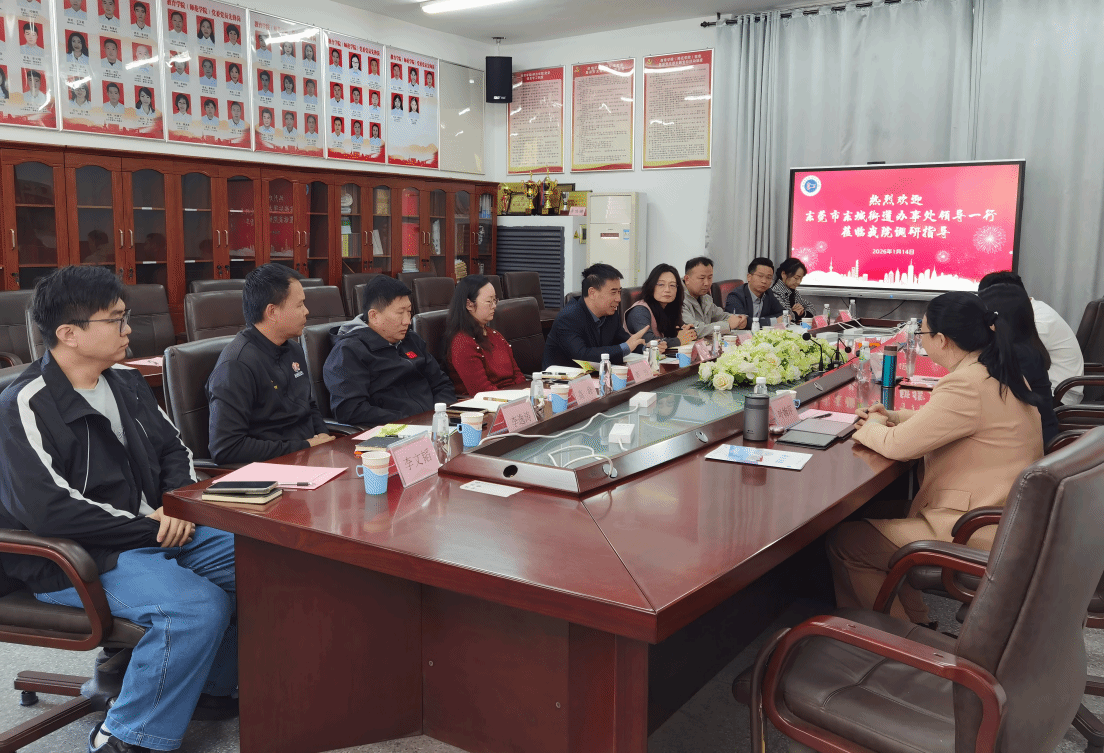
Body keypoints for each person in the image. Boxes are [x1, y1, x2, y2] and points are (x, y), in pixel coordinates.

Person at [0, 266, 238, 753]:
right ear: (69, 334)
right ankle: (126, 736)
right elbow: (49, 511)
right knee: (195, 607)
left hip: (153, 530)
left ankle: (210, 686)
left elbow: (174, 451)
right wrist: (150, 527)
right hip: (74, 556)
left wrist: (176, 508)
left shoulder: (126, 382)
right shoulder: (22, 404)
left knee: (263, 559)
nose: (129, 329)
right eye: (115, 319)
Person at [827, 291, 1044, 626]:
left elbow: (898, 447)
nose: (922, 339)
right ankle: (916, 623)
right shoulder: (995, 370)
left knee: (847, 543)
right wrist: (892, 416)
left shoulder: (966, 384)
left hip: (975, 528)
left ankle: (895, 640)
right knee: (875, 514)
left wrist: (870, 426)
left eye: (923, 333)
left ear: (941, 339)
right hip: (1004, 517)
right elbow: (951, 421)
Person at [207, 264, 333, 465]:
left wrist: (323, 439)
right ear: (272, 312)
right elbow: (227, 447)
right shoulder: (236, 365)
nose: (307, 311)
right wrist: (305, 446)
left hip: (307, 458)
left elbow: (308, 405)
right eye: (299, 305)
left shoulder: (293, 349)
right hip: (271, 468)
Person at [324, 276, 456, 426]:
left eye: (409, 312)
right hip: (393, 431)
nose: (407, 321)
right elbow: (350, 409)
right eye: (400, 313)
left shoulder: (411, 339)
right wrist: (410, 422)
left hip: (434, 425)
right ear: (374, 316)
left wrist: (440, 416)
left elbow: (441, 384)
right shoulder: (348, 351)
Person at [978, 270, 1084, 405]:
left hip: (1059, 396)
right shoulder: (1026, 312)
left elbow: (1008, 360)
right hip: (1042, 388)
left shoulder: (1039, 322)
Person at [978, 283, 1060, 443]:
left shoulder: (1018, 355)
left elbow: (992, 402)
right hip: (1020, 432)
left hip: (1032, 441)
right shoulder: (1022, 347)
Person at [543, 263, 649, 369]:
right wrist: (626, 347)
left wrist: (647, 348)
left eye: (619, 292)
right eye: (613, 293)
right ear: (592, 293)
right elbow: (582, 356)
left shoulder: (610, 314)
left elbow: (626, 343)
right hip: (562, 377)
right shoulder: (568, 317)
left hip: (596, 374)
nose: (618, 299)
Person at [444, 275, 525, 394]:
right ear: (469, 304)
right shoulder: (462, 342)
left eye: (495, 300)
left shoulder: (495, 335)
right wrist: (515, 397)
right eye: (489, 301)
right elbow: (482, 391)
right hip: (489, 402)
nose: (494, 306)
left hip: (512, 397)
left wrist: (523, 393)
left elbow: (517, 374)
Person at [625, 263, 693, 351]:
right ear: (651, 286)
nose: (667, 290)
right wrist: (678, 340)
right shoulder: (639, 310)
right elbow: (650, 341)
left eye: (672, 285)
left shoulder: (669, 307)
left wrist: (687, 331)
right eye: (661, 284)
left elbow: (680, 328)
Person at [682, 256, 744, 334]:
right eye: (702, 278)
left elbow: (721, 316)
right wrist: (727, 325)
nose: (707, 283)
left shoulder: (706, 298)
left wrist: (738, 319)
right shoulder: (677, 299)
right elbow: (693, 329)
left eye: (710, 278)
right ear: (687, 279)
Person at [725, 257, 785, 329]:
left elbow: (782, 314)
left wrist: (756, 320)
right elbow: (741, 323)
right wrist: (773, 321)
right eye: (760, 276)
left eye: (768, 277)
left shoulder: (768, 293)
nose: (764, 281)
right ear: (749, 277)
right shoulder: (735, 296)